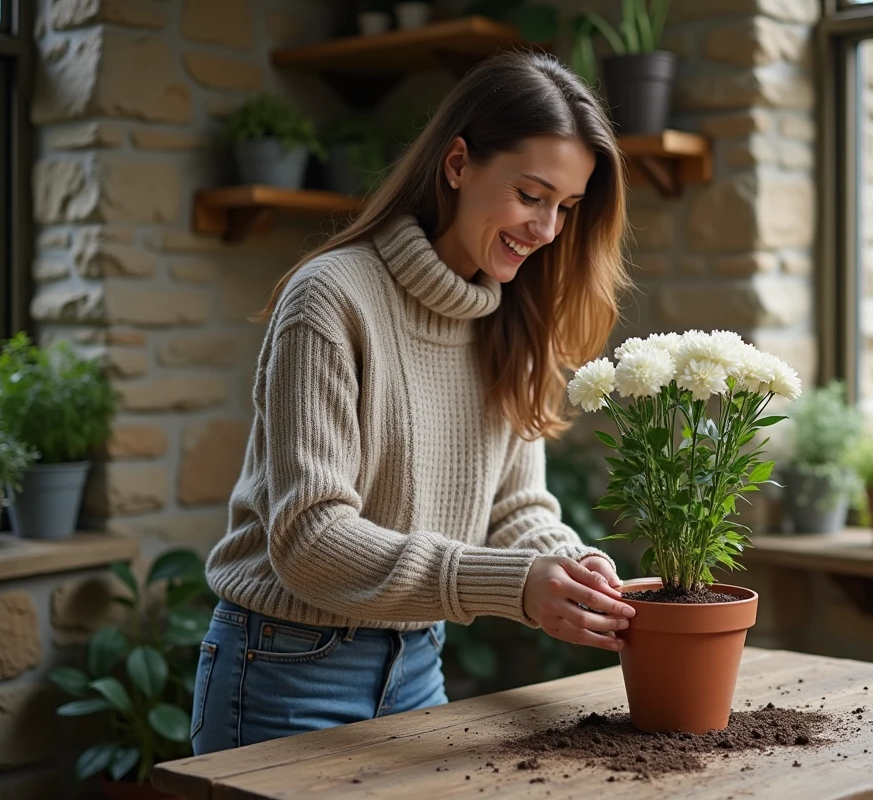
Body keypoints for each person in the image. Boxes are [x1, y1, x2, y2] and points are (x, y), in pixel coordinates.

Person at [190, 50, 637, 755]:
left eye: (566, 207)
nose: (548, 229)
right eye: (531, 195)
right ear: (457, 164)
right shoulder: (332, 299)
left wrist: (571, 567)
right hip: (284, 670)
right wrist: (517, 584)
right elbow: (309, 540)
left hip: (417, 666)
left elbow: (517, 510)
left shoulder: (513, 321)